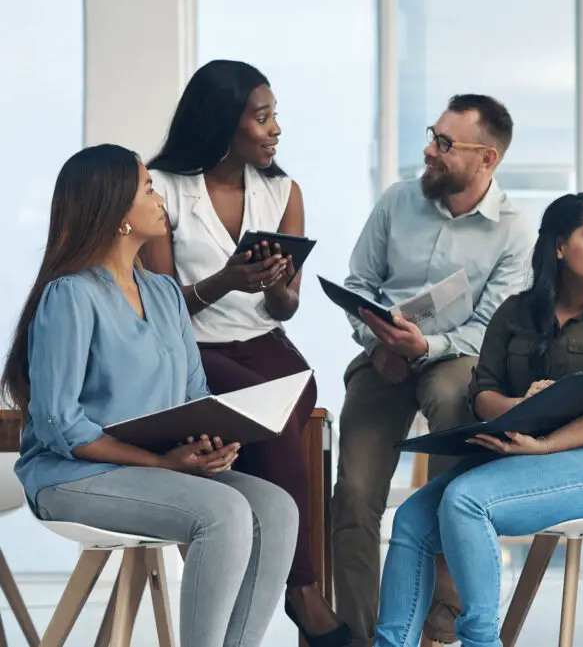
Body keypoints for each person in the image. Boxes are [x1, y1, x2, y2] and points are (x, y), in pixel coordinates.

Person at [2, 144, 298, 647]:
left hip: (154, 469)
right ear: (117, 212)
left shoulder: (163, 294)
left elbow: (193, 395)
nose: (159, 197)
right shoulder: (70, 295)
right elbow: (58, 425)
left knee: (276, 509)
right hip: (72, 477)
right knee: (222, 513)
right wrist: (161, 465)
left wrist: (212, 444)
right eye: (146, 187)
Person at [370, 192, 583, 647]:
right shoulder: (515, 313)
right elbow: (482, 393)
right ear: (559, 246)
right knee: (411, 520)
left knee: (467, 501)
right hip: (513, 460)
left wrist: (544, 445)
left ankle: (481, 642)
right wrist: (518, 409)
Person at [141, 60, 340, 645]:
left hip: (263, 344)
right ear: (223, 123)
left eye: (275, 115)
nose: (275, 129)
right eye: (262, 117)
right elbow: (161, 309)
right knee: (272, 419)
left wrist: (277, 284)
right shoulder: (161, 190)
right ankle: (302, 591)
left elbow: (285, 310)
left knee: (296, 391)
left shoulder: (283, 191)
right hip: (191, 351)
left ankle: (256, 562)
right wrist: (227, 279)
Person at [333, 93, 535, 645]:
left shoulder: (515, 232)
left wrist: (423, 347)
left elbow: (493, 329)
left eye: (445, 144)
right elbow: (357, 288)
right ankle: (360, 632)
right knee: (353, 496)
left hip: (454, 358)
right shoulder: (398, 201)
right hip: (380, 357)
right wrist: (378, 346)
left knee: (456, 401)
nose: (430, 150)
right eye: (433, 135)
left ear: (486, 159)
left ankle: (442, 622)